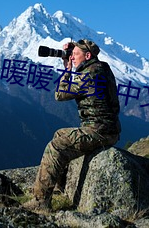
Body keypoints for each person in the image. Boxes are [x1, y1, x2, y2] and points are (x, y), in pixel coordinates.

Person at [23, 39, 121, 211]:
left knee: (56, 146)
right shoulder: (102, 68)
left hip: (98, 131)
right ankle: (60, 187)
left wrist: (67, 70)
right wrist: (73, 51)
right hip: (108, 129)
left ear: (88, 56)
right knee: (60, 134)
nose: (72, 57)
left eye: (76, 54)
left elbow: (60, 95)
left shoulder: (89, 75)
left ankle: (40, 202)